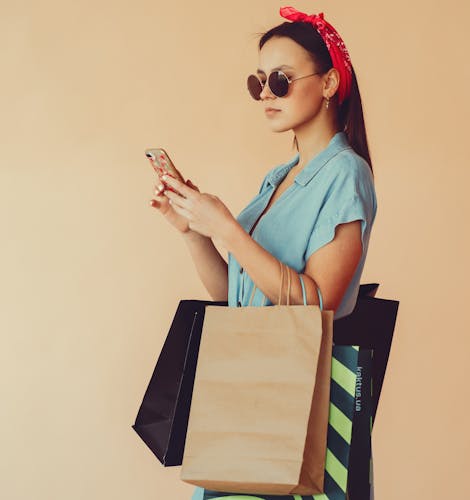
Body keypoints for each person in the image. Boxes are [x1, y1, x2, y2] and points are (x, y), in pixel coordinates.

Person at [148, 6, 377, 500]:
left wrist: (229, 230)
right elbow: (236, 291)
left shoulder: (346, 174)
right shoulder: (278, 178)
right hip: (248, 389)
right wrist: (194, 232)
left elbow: (319, 306)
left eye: (281, 80)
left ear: (331, 83)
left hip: (298, 398)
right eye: (258, 84)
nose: (267, 95)